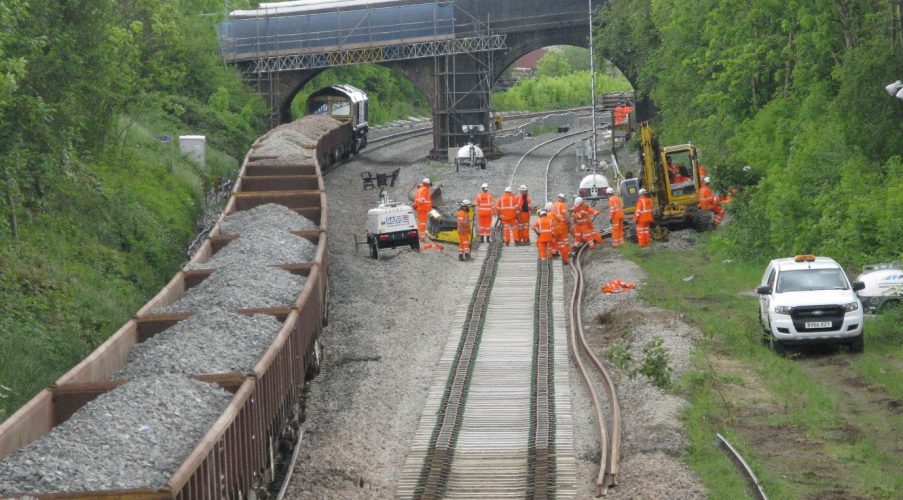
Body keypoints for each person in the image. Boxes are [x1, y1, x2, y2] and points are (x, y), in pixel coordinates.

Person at [550, 194, 572, 264]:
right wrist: (569, 221)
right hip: (562, 224)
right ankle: (567, 253)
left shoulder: (553, 205)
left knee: (556, 240)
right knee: (564, 239)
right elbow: (565, 214)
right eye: (564, 199)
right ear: (562, 199)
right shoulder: (562, 205)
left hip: (554, 225)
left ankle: (556, 253)